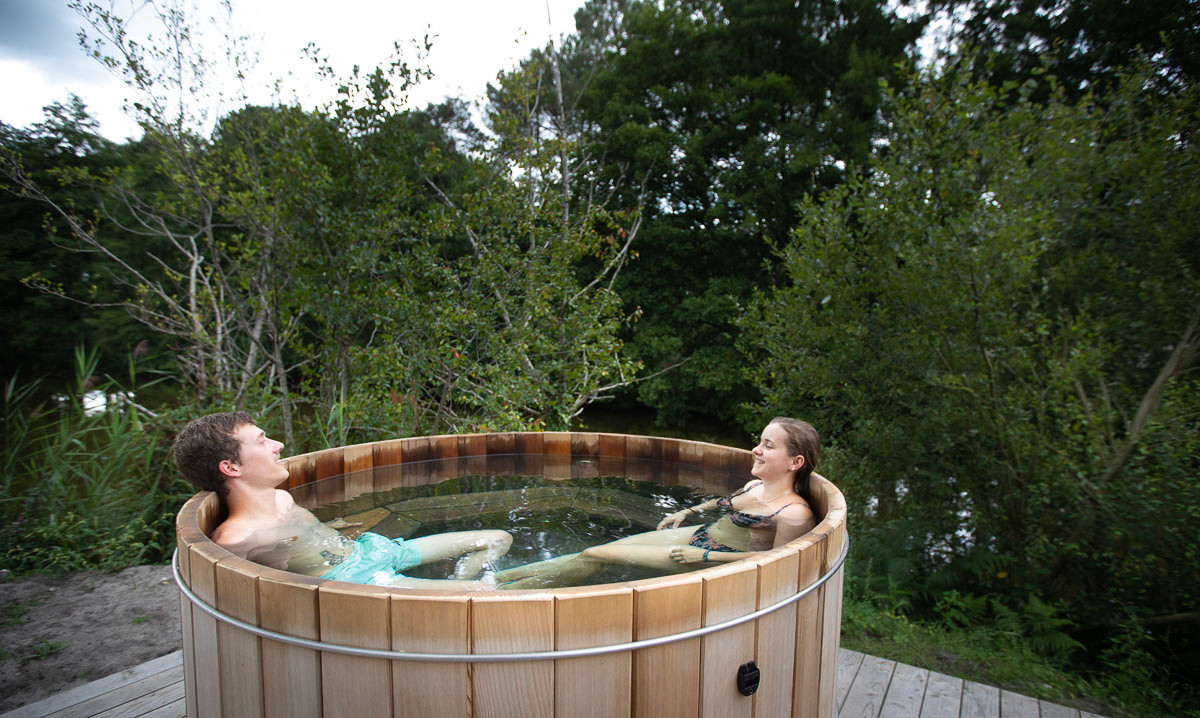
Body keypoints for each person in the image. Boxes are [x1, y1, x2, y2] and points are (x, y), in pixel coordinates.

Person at [172, 412, 512, 590]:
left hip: (375, 550)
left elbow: (309, 539)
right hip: (359, 583)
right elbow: (269, 598)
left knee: (500, 538)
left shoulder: (282, 499)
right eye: (262, 442)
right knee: (484, 596)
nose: (277, 445)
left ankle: (456, 584)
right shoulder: (237, 539)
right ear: (230, 467)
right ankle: (462, 590)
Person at [493, 417, 820, 589]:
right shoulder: (754, 485)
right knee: (596, 551)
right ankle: (502, 579)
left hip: (707, 557)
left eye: (768, 445)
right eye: (759, 442)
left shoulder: (793, 514)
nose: (756, 450)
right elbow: (720, 504)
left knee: (596, 553)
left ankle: (503, 594)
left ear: (795, 462)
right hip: (697, 535)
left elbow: (773, 562)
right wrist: (686, 511)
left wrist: (702, 555)